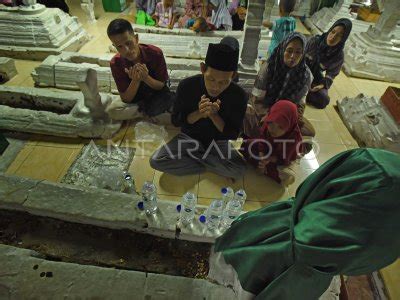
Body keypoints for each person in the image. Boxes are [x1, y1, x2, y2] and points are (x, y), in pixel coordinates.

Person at [208, 148, 400, 299]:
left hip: (268, 227)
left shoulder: (378, 161)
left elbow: (317, 184)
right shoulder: (389, 192)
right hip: (289, 267)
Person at [150, 38, 247, 179]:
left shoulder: (239, 95)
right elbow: (176, 121)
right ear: (203, 69)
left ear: (233, 76)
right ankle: (209, 163)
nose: (216, 87)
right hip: (190, 138)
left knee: (239, 170)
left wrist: (214, 116)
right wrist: (199, 113)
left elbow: (232, 134)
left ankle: (196, 161)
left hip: (217, 143)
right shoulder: (187, 86)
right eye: (211, 79)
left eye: (223, 82)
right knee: (156, 161)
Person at [243, 32, 315, 140]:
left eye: (298, 52)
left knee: (309, 132)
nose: (292, 56)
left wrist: (290, 122)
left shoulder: (306, 75)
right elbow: (257, 100)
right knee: (246, 119)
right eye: (289, 50)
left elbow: (300, 104)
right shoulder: (269, 68)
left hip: (285, 115)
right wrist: (270, 118)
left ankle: (273, 138)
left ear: (303, 54)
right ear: (282, 49)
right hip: (264, 112)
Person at [106, 19, 174, 121]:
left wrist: (146, 78)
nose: (126, 50)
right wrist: (135, 81)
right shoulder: (116, 63)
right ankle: (148, 112)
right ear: (114, 46)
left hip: (155, 92)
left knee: (170, 101)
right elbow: (126, 98)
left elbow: (161, 85)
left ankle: (148, 111)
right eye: (119, 46)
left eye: (128, 43)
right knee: (112, 111)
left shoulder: (155, 53)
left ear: (136, 38)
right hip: (135, 99)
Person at [241, 100, 302, 186]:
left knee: (285, 175)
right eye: (270, 123)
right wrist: (262, 157)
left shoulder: (293, 138)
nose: (273, 129)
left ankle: (267, 169)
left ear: (289, 126)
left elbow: (284, 158)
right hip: (268, 149)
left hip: (281, 157)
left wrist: (269, 159)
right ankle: (263, 167)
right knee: (247, 145)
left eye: (280, 127)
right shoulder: (268, 123)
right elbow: (262, 141)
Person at [305, 18, 353, 109]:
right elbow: (298, 59)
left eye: (339, 36)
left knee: (323, 99)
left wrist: (321, 85)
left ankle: (303, 92)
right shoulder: (314, 41)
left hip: (315, 78)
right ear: (330, 30)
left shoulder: (338, 55)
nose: (333, 37)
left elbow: (331, 74)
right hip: (301, 72)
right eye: (333, 32)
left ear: (343, 39)